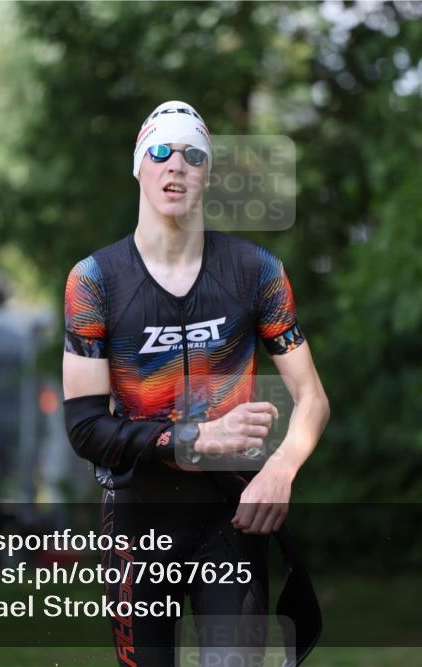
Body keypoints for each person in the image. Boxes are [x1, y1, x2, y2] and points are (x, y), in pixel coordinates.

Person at [62, 100, 330, 666]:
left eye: (193, 154)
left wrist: (280, 471)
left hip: (231, 520)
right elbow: (86, 429)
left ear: (209, 173)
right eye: (160, 151)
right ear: (139, 165)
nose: (175, 165)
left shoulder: (254, 270)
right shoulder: (95, 281)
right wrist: (198, 439)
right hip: (139, 527)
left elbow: (312, 398)